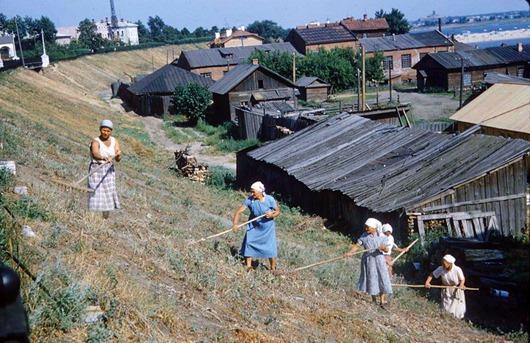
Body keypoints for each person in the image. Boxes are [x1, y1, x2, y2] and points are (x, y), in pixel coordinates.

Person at [344, 218, 392, 308]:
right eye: (366, 227)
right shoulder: (364, 236)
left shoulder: (382, 237)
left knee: (382, 278)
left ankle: (382, 301)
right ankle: (373, 299)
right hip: (368, 260)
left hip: (379, 260)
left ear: (374, 228)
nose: (366, 229)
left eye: (368, 227)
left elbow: (387, 249)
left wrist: (383, 248)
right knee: (371, 279)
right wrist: (349, 253)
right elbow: (357, 246)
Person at [232, 181, 280, 272]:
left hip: (267, 228)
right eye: (251, 191)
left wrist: (272, 215)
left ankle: (272, 268)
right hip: (253, 226)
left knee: (270, 247)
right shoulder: (249, 200)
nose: (252, 193)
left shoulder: (269, 199)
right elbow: (238, 212)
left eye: (254, 192)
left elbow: (277, 211)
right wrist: (235, 224)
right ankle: (248, 266)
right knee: (249, 243)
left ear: (260, 191)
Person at [88, 119, 122, 219]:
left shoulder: (114, 141)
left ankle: (105, 218)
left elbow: (118, 159)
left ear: (111, 131)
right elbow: (95, 154)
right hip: (97, 169)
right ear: (100, 130)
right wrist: (103, 158)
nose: (105, 133)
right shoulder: (96, 141)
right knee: (95, 192)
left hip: (108, 171)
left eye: (108, 131)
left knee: (108, 193)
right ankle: (92, 218)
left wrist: (118, 155)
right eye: (104, 130)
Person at [425, 254, 466, 319]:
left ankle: (455, 320)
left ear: (450, 264)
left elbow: (462, 279)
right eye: (442, 264)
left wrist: (461, 285)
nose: (443, 265)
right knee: (446, 306)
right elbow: (432, 274)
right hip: (446, 289)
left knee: (456, 307)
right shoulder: (441, 268)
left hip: (455, 289)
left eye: (444, 264)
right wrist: (427, 282)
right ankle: (446, 318)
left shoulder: (457, 269)